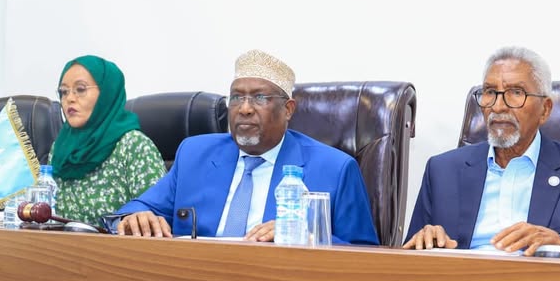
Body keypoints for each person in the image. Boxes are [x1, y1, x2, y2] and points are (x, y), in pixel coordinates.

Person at [114, 50, 378, 244]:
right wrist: (136, 216)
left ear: (288, 109)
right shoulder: (194, 154)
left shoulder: (334, 168)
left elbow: (367, 255)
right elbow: (136, 209)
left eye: (259, 98)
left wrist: (307, 239)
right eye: (237, 97)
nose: (245, 109)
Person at [404, 46, 560, 256]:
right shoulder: (442, 170)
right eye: (490, 92)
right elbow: (407, 258)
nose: (499, 106)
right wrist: (426, 239)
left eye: (516, 93)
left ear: (545, 109)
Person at [46, 55, 165, 226]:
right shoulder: (60, 148)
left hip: (119, 249)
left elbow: (155, 216)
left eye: (80, 89)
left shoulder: (133, 146)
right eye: (64, 92)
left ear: (106, 93)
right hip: (62, 248)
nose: (69, 98)